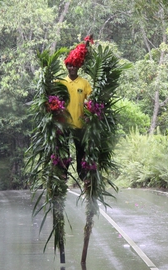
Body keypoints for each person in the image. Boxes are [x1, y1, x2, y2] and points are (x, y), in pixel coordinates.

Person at [62, 36, 93, 180]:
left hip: (80, 124)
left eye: (74, 65)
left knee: (81, 151)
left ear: (78, 66)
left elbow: (92, 100)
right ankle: (62, 175)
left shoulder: (84, 83)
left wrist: (90, 113)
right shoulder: (60, 82)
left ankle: (83, 176)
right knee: (63, 151)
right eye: (69, 65)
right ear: (66, 66)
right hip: (64, 125)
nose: (71, 68)